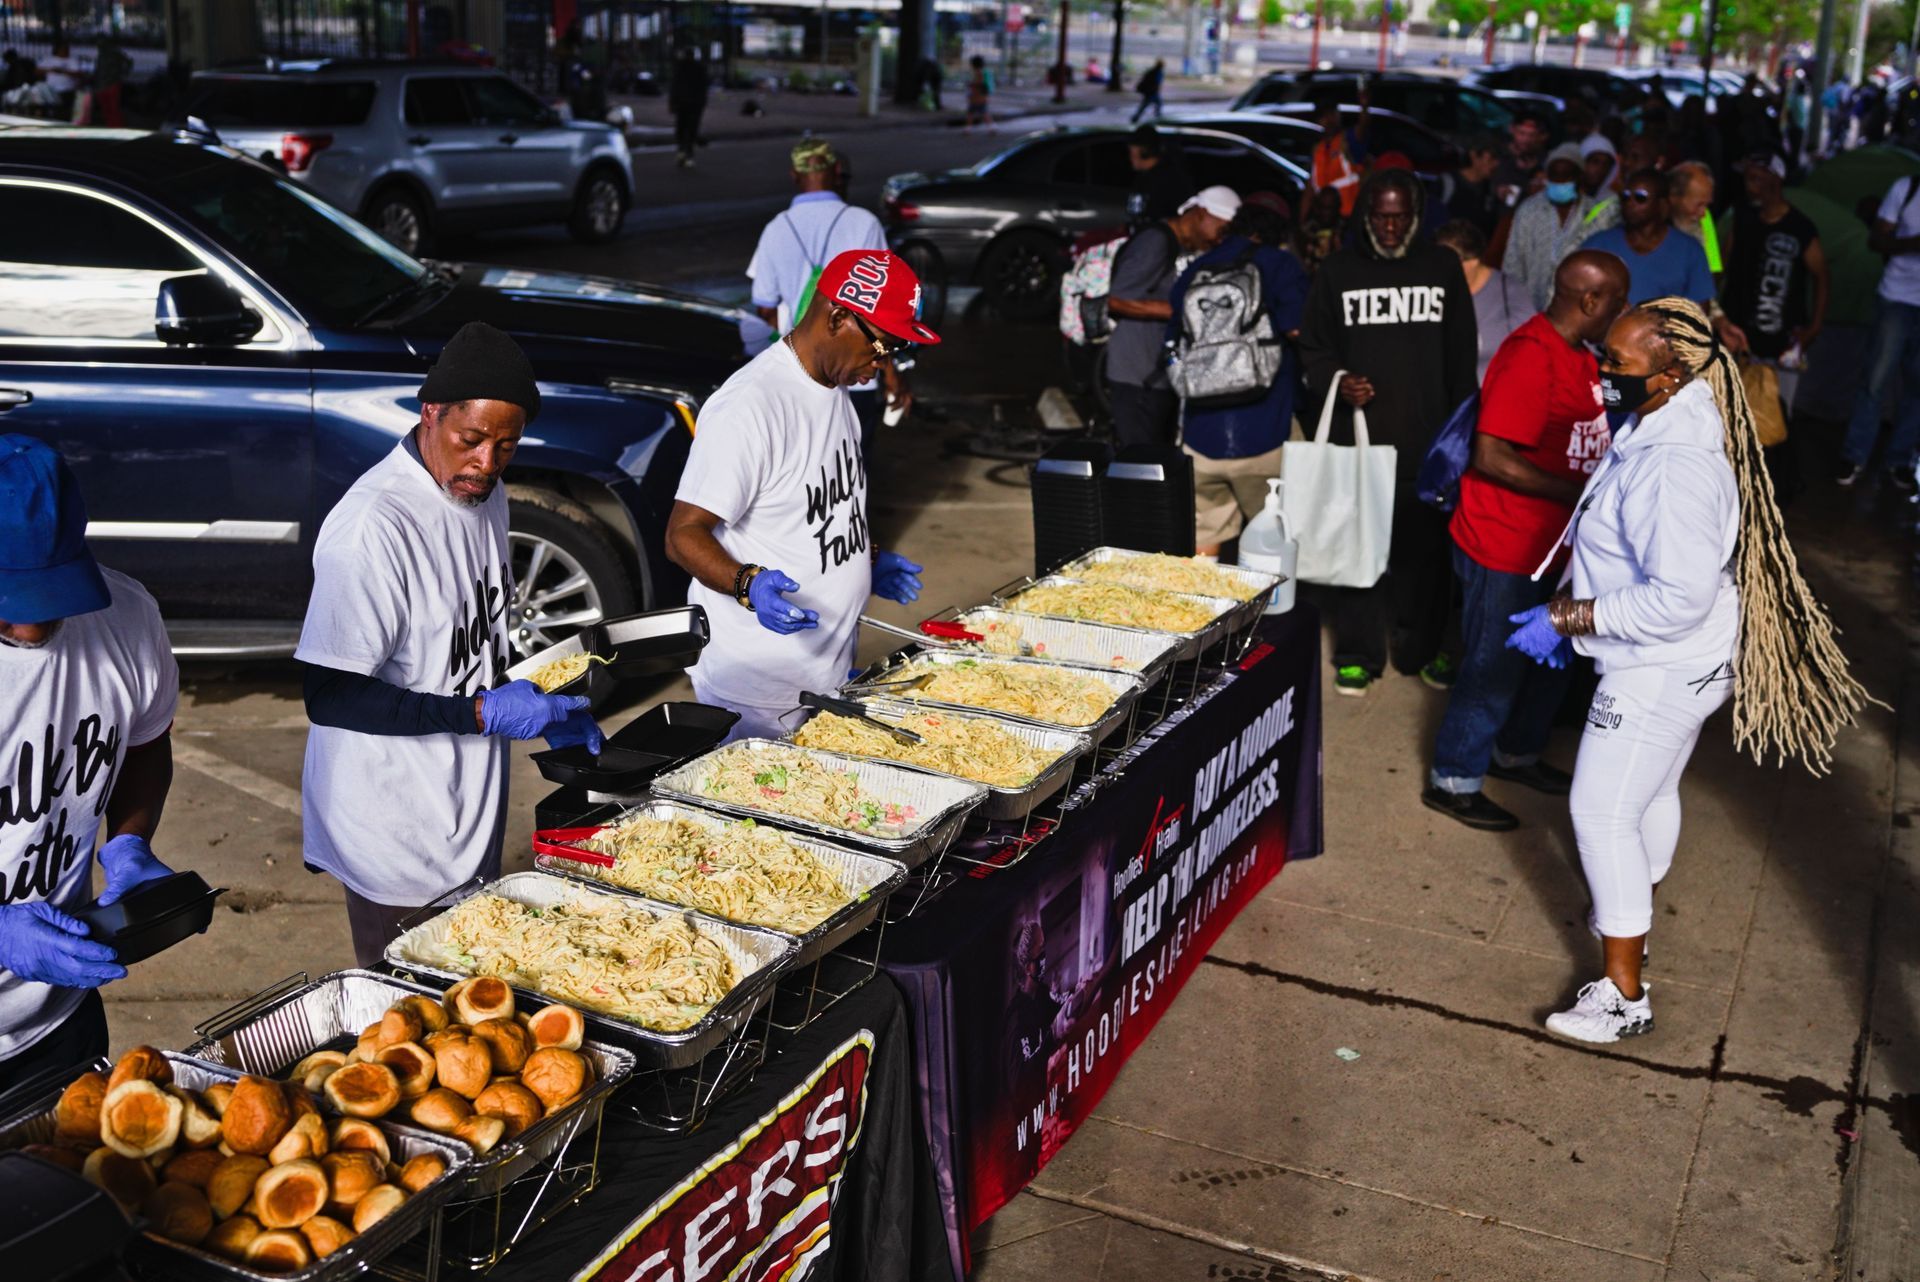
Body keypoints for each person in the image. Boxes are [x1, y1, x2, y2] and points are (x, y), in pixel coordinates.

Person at [1507, 297, 1869, 1042]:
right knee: (1651, 793)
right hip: (1690, 660)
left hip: (1659, 666)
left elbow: (1677, 596)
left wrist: (1569, 616)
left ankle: (1623, 994)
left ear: (1670, 374)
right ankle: (1630, 923)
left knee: (1600, 813)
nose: (1603, 372)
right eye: (1603, 357)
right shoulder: (1669, 418)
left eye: (1619, 364)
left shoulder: (1675, 466)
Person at [298, 323, 601, 968]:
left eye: (506, 447)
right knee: (417, 1023)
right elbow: (329, 696)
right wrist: (482, 714)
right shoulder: (374, 529)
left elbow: (477, 635)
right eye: (471, 441)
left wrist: (552, 701)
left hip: (464, 806)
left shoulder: (483, 494)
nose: (486, 464)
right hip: (392, 827)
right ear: (430, 412)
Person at [666, 249, 937, 740]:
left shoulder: (839, 395)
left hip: (827, 676)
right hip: (757, 693)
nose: (882, 365)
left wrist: (865, 558)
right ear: (837, 318)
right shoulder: (749, 407)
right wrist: (748, 583)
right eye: (882, 347)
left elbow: (818, 511)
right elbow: (683, 533)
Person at [0, 437, 182, 1092]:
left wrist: (129, 843)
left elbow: (144, 741)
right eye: (8, 601)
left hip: (59, 1018)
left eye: (48, 596)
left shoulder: (126, 619)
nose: (29, 630)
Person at [1423, 252, 1627, 831]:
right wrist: (1577, 492)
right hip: (1506, 543)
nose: (1623, 310)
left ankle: (1515, 754)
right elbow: (1491, 457)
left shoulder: (1583, 356)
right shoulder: (1530, 355)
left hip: (1557, 549)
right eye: (1618, 299)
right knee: (1495, 664)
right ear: (1590, 301)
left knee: (1553, 660)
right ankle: (1453, 779)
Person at [1297, 168, 1479, 695]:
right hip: (1359, 445)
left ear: (1417, 215)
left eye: (1401, 216)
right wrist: (1337, 378)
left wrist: (1461, 437)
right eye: (1382, 215)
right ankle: (1357, 655)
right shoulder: (1337, 270)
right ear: (1366, 214)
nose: (1392, 226)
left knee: (1425, 562)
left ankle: (1418, 650)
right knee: (1358, 554)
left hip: (1429, 446)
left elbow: (1460, 360)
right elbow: (1312, 348)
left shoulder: (1442, 266)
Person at [747, 138, 907, 465]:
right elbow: (879, 314)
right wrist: (892, 377)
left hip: (800, 377)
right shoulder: (864, 224)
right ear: (836, 170)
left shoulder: (775, 229)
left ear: (794, 175)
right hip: (858, 374)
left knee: (806, 473)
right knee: (852, 474)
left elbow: (763, 309)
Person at [1166, 192, 1310, 555]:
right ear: (1280, 231)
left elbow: (1172, 346)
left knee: (1204, 546)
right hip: (1265, 434)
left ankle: (1203, 610)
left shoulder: (1193, 273)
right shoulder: (1280, 264)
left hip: (1200, 440)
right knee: (1275, 546)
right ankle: (1273, 614)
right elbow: (1298, 331)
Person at [1105, 186, 1238, 447]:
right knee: (1141, 467)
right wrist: (1181, 311)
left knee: (1160, 464)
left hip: (1159, 377)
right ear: (1201, 214)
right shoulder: (1156, 241)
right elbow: (1117, 300)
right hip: (1137, 376)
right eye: (1221, 230)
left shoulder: (1182, 247)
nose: (1220, 240)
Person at [1717, 153, 1827, 421]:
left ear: (1775, 180)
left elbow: (1822, 276)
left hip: (1782, 343)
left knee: (1775, 420)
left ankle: (1774, 464)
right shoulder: (1743, 218)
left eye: (1755, 178)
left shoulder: (1800, 227)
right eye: (1746, 178)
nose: (1748, 185)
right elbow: (1722, 267)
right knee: (1729, 413)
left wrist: (1814, 327)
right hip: (1738, 337)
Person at [1837, 168, 1920, 486]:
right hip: (1896, 297)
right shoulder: (1907, 188)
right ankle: (1854, 455)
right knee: (1875, 380)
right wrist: (1913, 243)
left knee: (1917, 387)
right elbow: (1877, 240)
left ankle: (1900, 459)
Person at [1581, 169, 1714, 306]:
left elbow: (1700, 311)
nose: (1630, 203)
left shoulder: (1690, 251)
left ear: (1662, 204)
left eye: (1640, 197)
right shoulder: (1598, 245)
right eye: (1625, 196)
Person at [1505, 143, 1609, 313]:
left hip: (1576, 310)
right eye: (1555, 176)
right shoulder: (1529, 210)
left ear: (1579, 177)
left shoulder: (1594, 214)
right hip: (1530, 307)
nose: (1560, 182)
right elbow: (1513, 262)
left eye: (1566, 176)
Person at [1435, 219, 1534, 382]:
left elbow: (1530, 352)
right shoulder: (1435, 291)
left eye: (1446, 263)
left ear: (1472, 262)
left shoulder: (1511, 294)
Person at [1309, 93, 1369, 217]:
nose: (1329, 119)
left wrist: (1364, 106)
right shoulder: (1318, 149)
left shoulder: (1347, 140)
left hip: (1351, 216)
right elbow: (1310, 188)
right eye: (1324, 116)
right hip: (1326, 219)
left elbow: (1362, 127)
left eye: (1333, 113)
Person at [1126, 125, 1195, 226]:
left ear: (1144, 151)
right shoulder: (1144, 177)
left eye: (1132, 152)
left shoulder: (1170, 180)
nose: (1130, 157)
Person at [1439, 135, 1502, 235]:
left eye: (1498, 159)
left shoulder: (1489, 190)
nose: (1496, 164)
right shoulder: (1447, 183)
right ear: (1474, 156)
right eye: (1492, 158)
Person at [1492, 107, 1551, 209]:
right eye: (1521, 133)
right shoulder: (1496, 155)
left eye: (1532, 135)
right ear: (1512, 129)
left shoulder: (1545, 160)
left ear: (1541, 136)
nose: (1526, 140)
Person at [668, 46, 710, 170]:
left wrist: (672, 103)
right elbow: (703, 87)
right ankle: (688, 154)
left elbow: (674, 86)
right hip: (695, 104)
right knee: (691, 129)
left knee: (681, 128)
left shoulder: (680, 68)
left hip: (682, 103)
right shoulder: (699, 68)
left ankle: (682, 151)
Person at [1131, 58, 1165, 123]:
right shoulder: (1157, 72)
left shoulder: (1152, 71)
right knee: (1147, 104)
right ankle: (1136, 117)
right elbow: (1156, 82)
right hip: (1152, 92)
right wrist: (1155, 89)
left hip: (1151, 91)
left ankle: (1136, 117)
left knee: (1157, 103)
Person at [965, 55, 993, 132]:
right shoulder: (984, 72)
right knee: (984, 112)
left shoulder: (978, 73)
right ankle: (991, 128)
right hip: (982, 97)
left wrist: (971, 85)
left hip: (977, 97)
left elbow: (978, 84)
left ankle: (968, 128)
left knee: (971, 113)